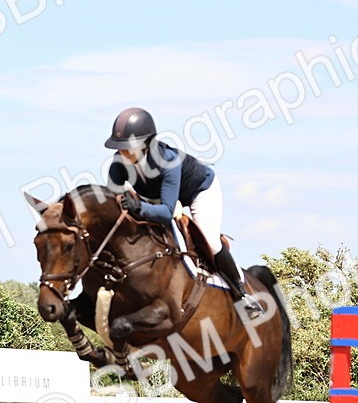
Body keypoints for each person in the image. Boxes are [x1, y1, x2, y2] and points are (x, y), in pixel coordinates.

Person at [104, 106, 263, 318]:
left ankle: (243, 295)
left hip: (198, 191)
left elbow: (167, 212)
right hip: (158, 197)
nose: (121, 152)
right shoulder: (118, 165)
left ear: (145, 144)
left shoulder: (168, 162)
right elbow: (111, 204)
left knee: (209, 240)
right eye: (119, 147)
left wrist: (139, 208)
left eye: (127, 147)